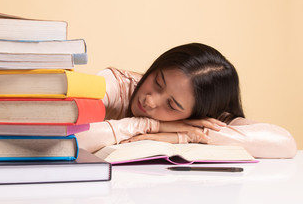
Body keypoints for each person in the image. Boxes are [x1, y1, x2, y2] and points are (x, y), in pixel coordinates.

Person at [76, 43, 297, 158]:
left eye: (172, 105)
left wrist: (187, 135)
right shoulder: (118, 85)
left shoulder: (204, 119)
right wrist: (147, 124)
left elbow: (285, 143)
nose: (150, 100)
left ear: (197, 114)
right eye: (158, 81)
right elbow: (62, 139)